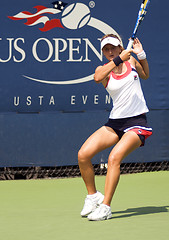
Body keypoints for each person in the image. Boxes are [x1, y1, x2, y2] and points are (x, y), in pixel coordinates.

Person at [78, 34, 153, 221]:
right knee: (83, 154)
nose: (110, 52)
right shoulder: (103, 69)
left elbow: (146, 75)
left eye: (113, 48)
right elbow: (97, 78)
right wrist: (120, 58)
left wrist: (141, 55)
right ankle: (93, 196)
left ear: (120, 47)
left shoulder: (132, 62)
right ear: (103, 52)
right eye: (106, 49)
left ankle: (106, 207)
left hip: (136, 122)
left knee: (114, 158)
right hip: (115, 123)